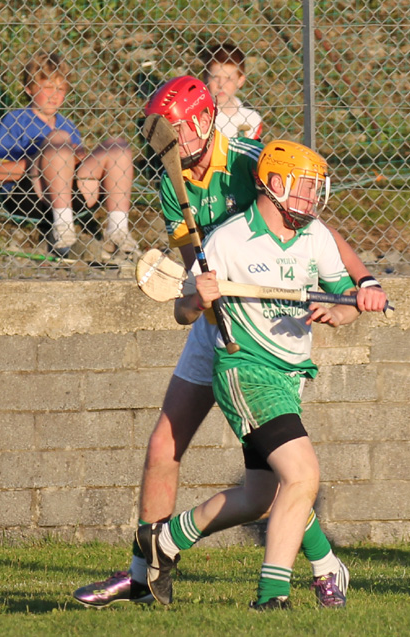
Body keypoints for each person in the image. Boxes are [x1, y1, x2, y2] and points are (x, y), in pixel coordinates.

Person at [73, 76, 388, 608]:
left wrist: (363, 282)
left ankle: (317, 565)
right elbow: (190, 274)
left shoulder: (250, 161)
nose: (163, 147)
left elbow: (315, 227)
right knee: (164, 447)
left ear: (200, 123)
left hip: (267, 331)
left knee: (273, 478)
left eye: (171, 134)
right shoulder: (173, 184)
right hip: (216, 317)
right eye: (159, 137)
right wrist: (195, 301)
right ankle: (145, 575)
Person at [136, 139, 365, 610]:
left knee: (261, 495)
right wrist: (196, 297)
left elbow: (344, 299)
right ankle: (271, 598)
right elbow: (183, 311)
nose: (314, 199)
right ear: (276, 185)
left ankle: (167, 539)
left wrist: (341, 309)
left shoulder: (315, 235)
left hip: (289, 375)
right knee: (302, 476)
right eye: (305, 189)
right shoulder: (229, 239)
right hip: (246, 372)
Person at [0, 50, 139, 262]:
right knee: (58, 140)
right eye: (48, 87)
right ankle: (62, 230)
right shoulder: (14, 121)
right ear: (29, 89)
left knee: (118, 146)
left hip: (74, 192)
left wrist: (77, 157)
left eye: (61, 89)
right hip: (30, 195)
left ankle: (118, 230)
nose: (55, 94)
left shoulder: (67, 124)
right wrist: (38, 159)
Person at [201, 42, 263, 140]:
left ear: (240, 81)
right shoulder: (200, 117)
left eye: (228, 79)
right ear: (205, 76)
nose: (221, 85)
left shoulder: (252, 118)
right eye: (215, 77)